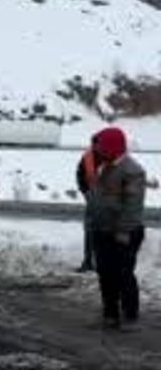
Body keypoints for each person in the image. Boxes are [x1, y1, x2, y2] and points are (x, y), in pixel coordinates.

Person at [88, 126, 147, 331]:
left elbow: (133, 206)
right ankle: (110, 314)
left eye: (103, 147)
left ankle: (130, 315)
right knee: (105, 273)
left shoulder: (133, 171)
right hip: (103, 230)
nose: (99, 151)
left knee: (123, 273)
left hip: (124, 233)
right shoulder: (105, 165)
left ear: (114, 147)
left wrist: (123, 231)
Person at [75, 132, 103, 273]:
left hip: (108, 200)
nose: (96, 147)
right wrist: (85, 191)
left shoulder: (110, 157)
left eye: (98, 144)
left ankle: (101, 262)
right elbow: (80, 174)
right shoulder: (88, 157)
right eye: (94, 144)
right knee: (89, 230)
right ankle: (88, 261)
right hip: (92, 198)